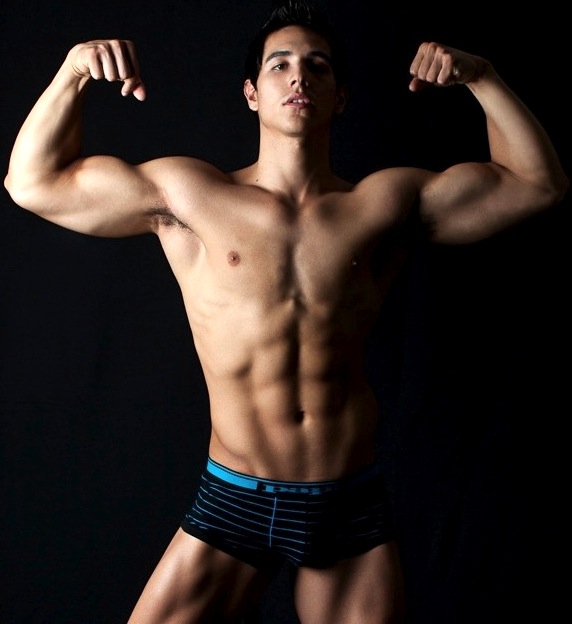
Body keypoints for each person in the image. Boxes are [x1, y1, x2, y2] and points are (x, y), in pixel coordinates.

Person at [4, 0, 568, 621]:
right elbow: (32, 183)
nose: (299, 76)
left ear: (341, 97)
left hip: (345, 503)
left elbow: (536, 184)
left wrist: (482, 77)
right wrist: (73, 72)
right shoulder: (191, 195)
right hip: (235, 497)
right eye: (280, 64)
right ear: (252, 93)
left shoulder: (383, 203)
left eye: (318, 66)